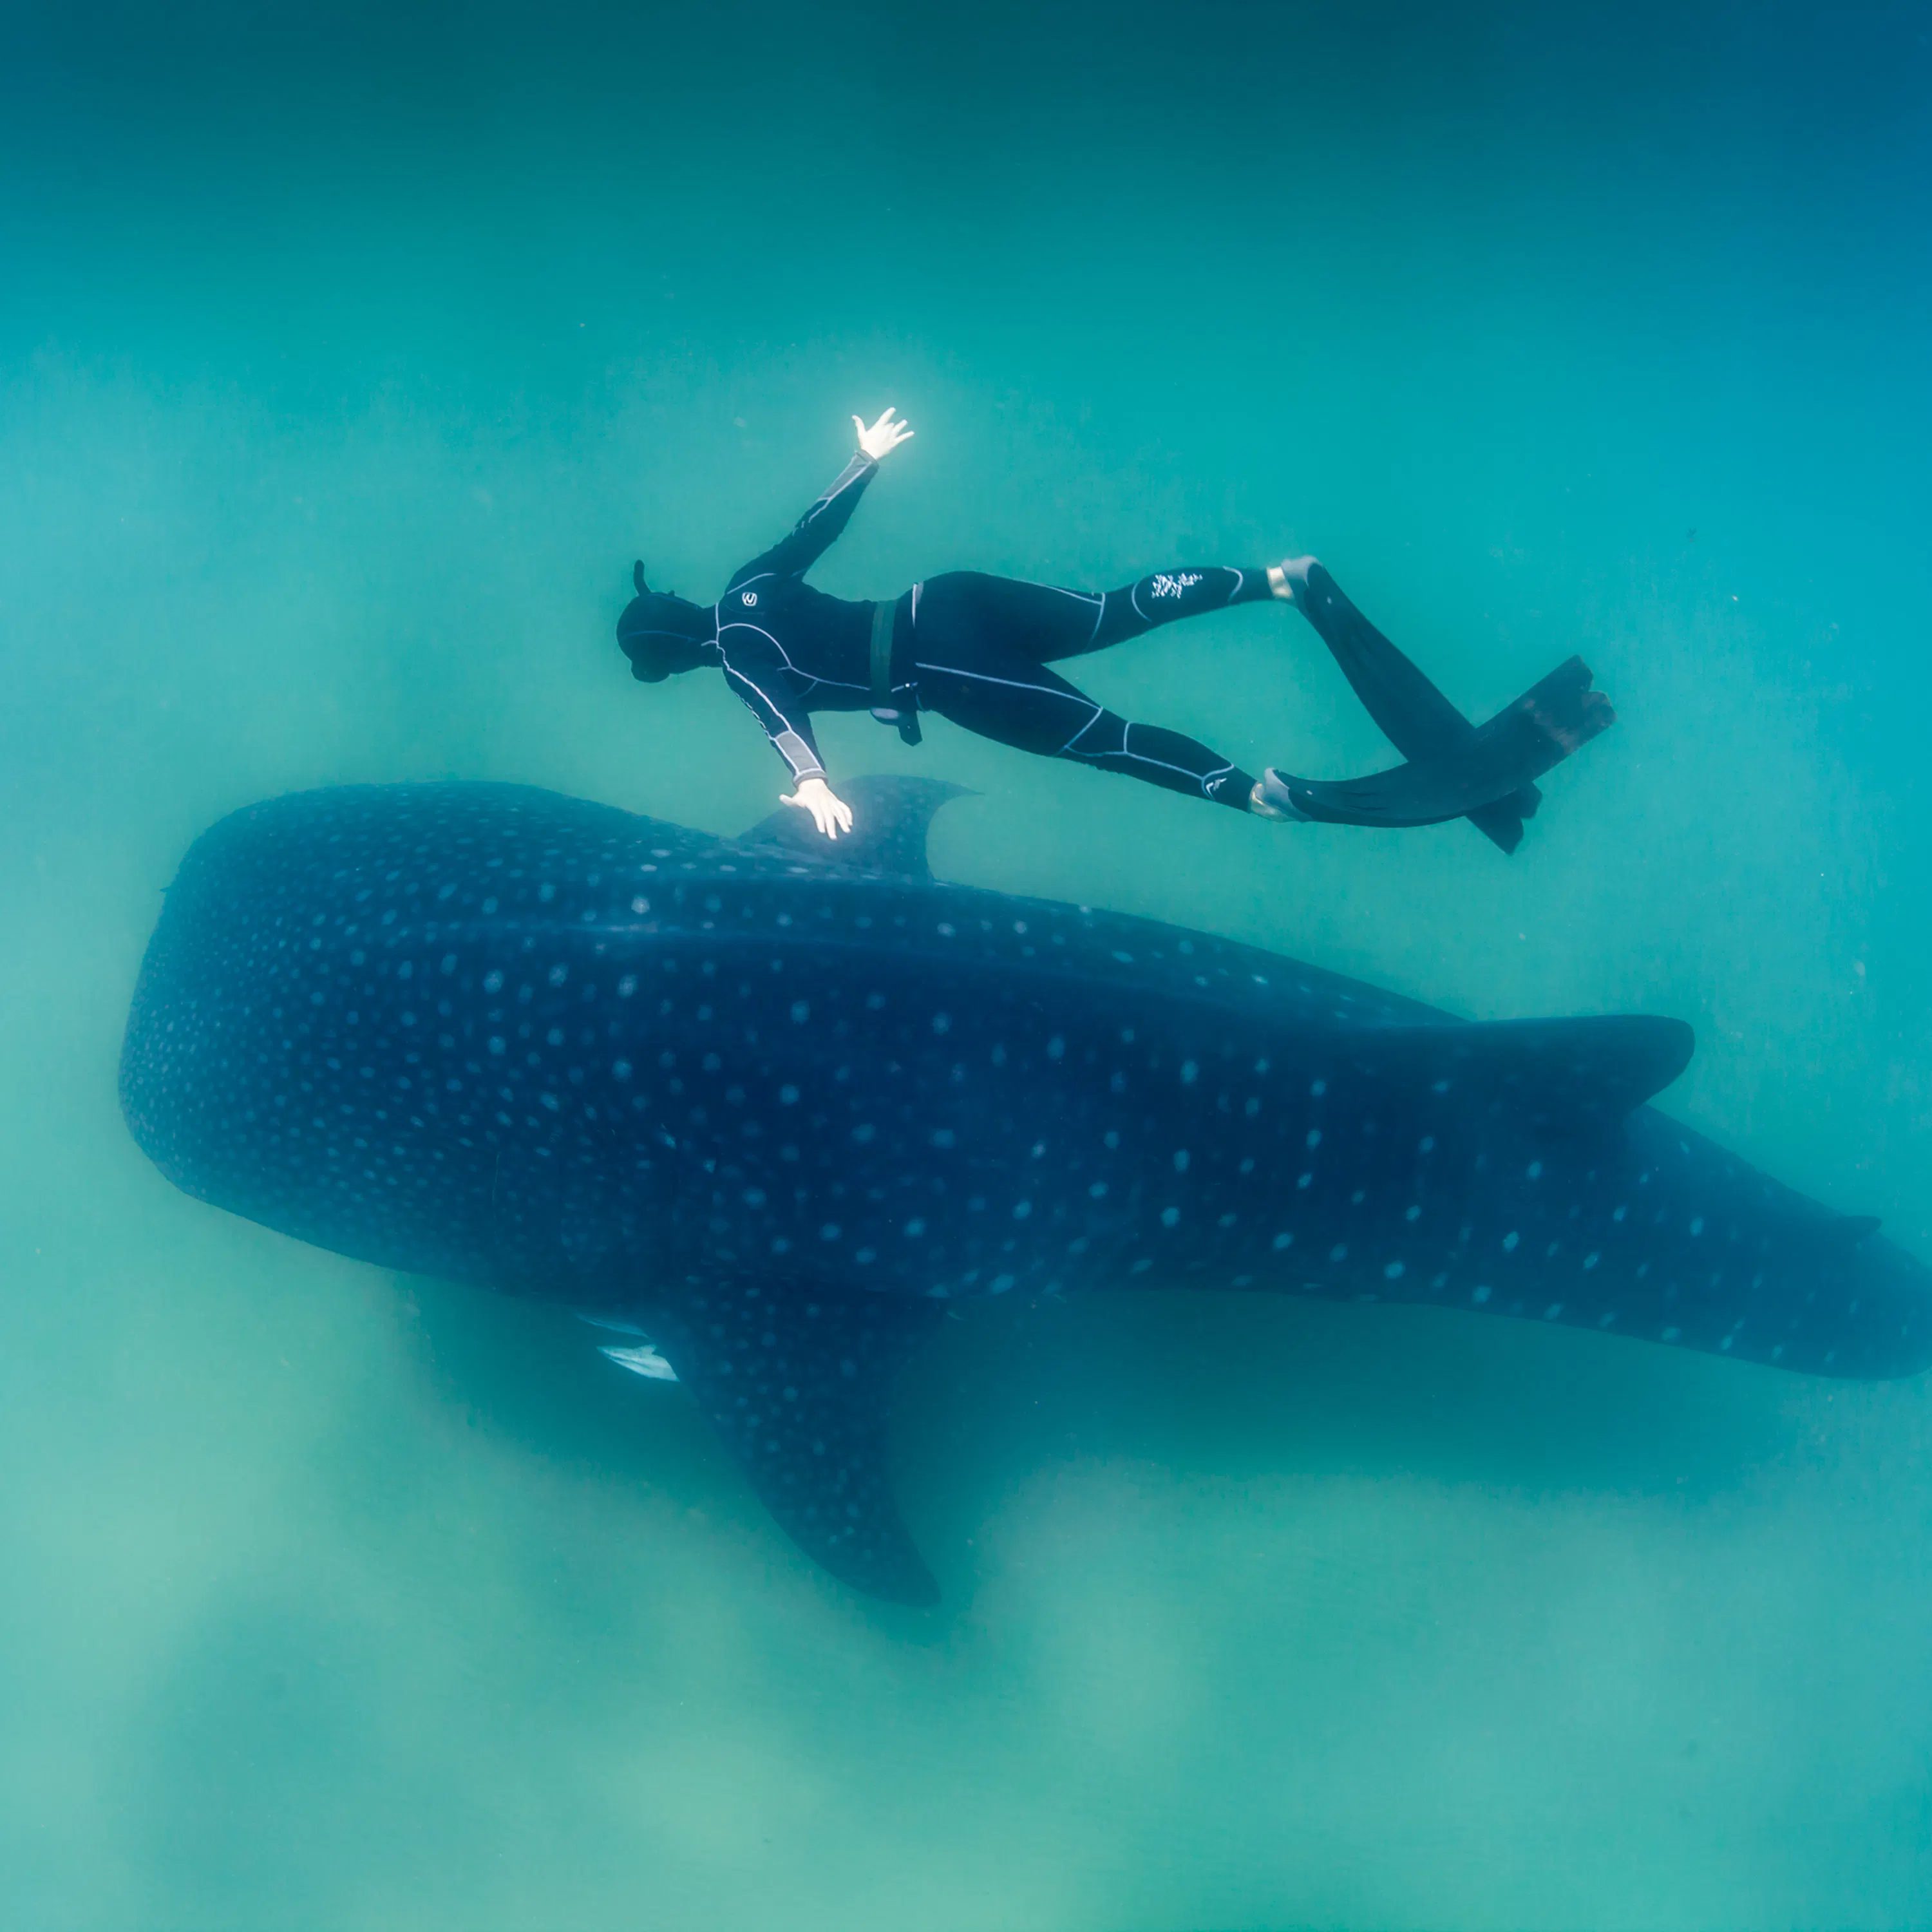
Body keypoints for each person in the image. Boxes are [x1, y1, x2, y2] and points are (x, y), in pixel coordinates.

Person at [616, 409, 1613, 851]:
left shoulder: (735, 654)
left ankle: (1257, 797)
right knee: (1112, 612)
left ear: (668, 663)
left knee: (1113, 743)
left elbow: (775, 714)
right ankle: (1277, 580)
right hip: (947, 600)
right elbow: (814, 525)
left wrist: (812, 780)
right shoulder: (747, 586)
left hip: (942, 669)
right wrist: (864, 458)